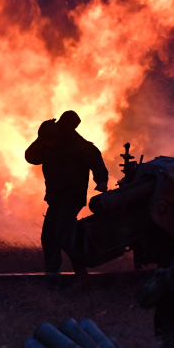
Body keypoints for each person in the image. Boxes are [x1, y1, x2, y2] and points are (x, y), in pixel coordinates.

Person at [25, 110, 108, 276]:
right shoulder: (46, 142)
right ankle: (52, 273)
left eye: (49, 141)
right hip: (56, 197)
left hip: (73, 196)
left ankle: (80, 271)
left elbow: (95, 158)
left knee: (63, 234)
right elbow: (32, 157)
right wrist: (40, 141)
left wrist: (101, 180)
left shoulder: (76, 144)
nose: (48, 145)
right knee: (49, 235)